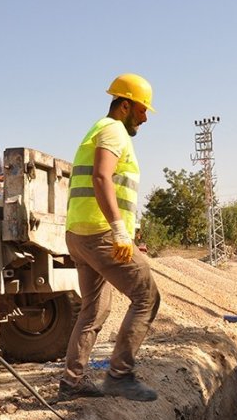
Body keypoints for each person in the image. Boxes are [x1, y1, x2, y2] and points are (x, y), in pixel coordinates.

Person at [59, 73, 161, 402]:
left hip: (80, 234)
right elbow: (101, 176)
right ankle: (120, 375)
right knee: (147, 297)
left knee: (94, 309)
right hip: (100, 233)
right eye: (143, 110)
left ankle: (71, 383)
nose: (145, 118)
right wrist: (118, 229)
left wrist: (128, 230)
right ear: (126, 105)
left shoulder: (97, 130)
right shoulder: (114, 131)